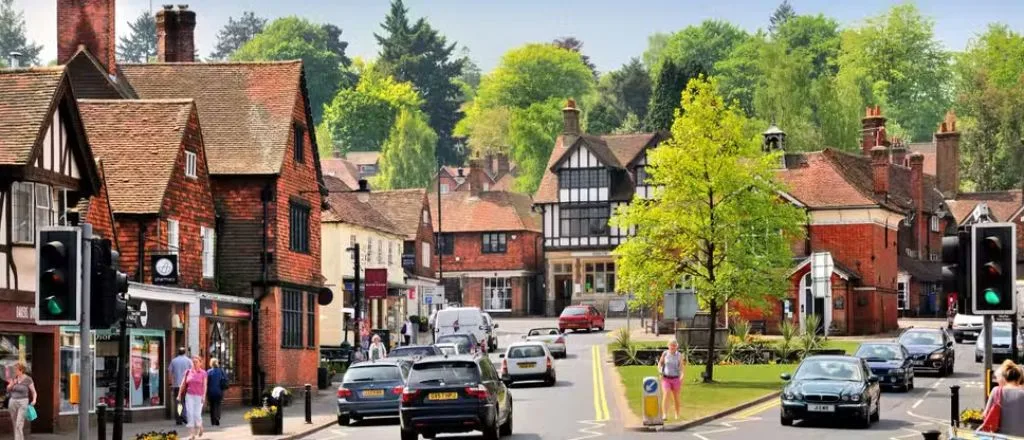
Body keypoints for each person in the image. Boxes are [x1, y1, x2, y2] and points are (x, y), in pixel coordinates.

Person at [979, 359, 1024, 436]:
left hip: (1000, 437)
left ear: (1005, 378)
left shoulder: (996, 391)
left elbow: (985, 414)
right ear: (1019, 378)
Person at [178, 355, 208, 440]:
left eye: (196, 362)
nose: (194, 363)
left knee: (197, 414)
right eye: (193, 362)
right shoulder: (188, 372)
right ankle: (192, 434)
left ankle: (200, 427)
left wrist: (204, 396)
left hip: (199, 396)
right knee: (190, 414)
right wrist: (179, 394)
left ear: (200, 363)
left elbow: (205, 386)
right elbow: (183, 384)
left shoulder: (203, 373)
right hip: (189, 395)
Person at [6, 363, 36, 440]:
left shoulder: (28, 379)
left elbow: (34, 392)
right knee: (15, 423)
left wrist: (34, 399)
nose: (14, 371)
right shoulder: (13, 378)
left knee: (19, 424)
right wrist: (12, 384)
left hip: (23, 402)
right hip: (12, 402)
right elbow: (8, 389)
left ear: (21, 370)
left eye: (15, 370)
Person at [657, 339, 684, 421]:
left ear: (677, 347)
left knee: (676, 397)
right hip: (666, 378)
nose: (672, 347)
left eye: (674, 345)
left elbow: (681, 367)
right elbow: (660, 364)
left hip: (675, 378)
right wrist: (660, 371)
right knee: (666, 394)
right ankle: (664, 414)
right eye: (671, 345)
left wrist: (682, 376)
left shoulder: (679, 355)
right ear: (668, 346)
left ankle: (677, 414)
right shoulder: (665, 354)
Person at [168, 347, 193, 425]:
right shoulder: (189, 361)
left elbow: (170, 372)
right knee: (186, 401)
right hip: (186, 385)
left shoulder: (174, 361)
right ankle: (184, 416)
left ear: (178, 352)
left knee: (179, 402)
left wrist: (170, 382)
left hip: (176, 385)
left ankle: (179, 419)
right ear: (185, 352)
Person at [206, 358, 227, 426]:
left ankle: (213, 421)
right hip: (219, 391)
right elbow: (226, 379)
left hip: (211, 391)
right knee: (218, 405)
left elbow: (206, 382)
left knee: (212, 406)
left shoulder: (209, 372)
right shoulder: (221, 371)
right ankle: (217, 417)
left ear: (211, 363)